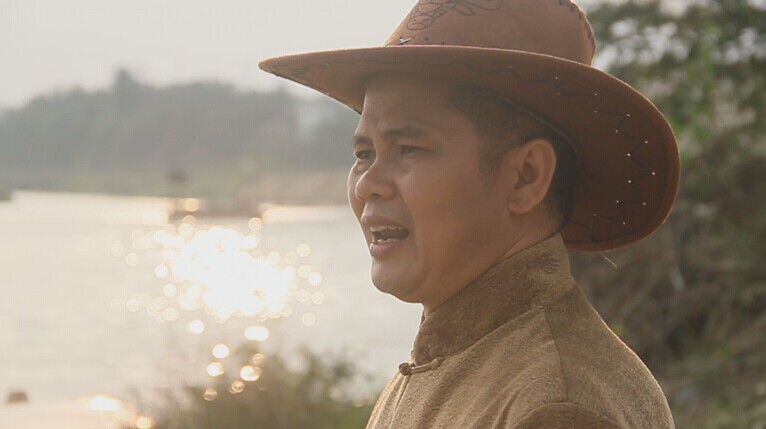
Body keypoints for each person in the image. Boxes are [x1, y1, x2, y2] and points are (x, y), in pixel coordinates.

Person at [260, 0, 679, 428]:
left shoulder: (555, 407)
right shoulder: (461, 357)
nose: (367, 184)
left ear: (526, 177)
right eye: (364, 153)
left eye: (408, 149)